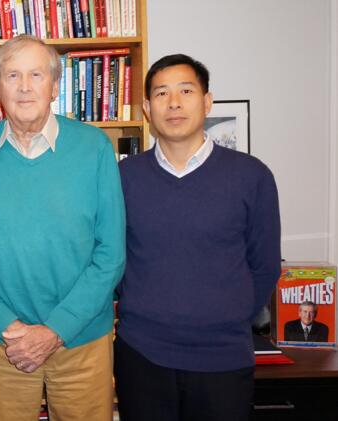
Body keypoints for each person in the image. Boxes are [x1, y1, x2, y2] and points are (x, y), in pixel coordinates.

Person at [0, 35, 125, 421]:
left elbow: (111, 253)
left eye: (36, 75)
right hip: (1, 343)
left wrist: (56, 329)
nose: (25, 86)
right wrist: (7, 325)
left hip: (81, 341)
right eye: (12, 75)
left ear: (55, 86)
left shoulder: (95, 148)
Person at [114, 54, 281, 421]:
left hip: (223, 358)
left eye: (186, 91)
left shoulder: (252, 177)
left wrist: (227, 316)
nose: (174, 103)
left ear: (207, 102)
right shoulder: (123, 178)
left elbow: (265, 266)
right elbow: (114, 257)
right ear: (147, 108)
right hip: (142, 355)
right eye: (161, 93)